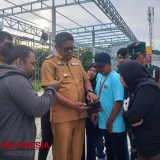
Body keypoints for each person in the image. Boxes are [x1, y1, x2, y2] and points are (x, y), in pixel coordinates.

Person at [41, 32, 98, 160]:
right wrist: (73, 106)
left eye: (72, 48)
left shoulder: (76, 62)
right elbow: (50, 91)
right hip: (62, 117)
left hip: (80, 115)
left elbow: (86, 79)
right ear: (57, 47)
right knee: (62, 153)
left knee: (77, 153)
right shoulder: (49, 63)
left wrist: (90, 91)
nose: (70, 51)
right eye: (66, 48)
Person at [0, 45, 62, 160]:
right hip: (15, 150)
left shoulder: (4, 76)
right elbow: (37, 108)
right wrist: (52, 88)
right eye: (32, 63)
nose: (34, 68)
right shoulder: (16, 79)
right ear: (19, 61)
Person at [119, 61, 160, 160]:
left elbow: (133, 116)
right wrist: (128, 116)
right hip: (144, 144)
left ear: (130, 74)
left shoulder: (147, 87)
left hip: (154, 146)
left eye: (121, 75)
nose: (119, 78)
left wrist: (127, 116)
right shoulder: (135, 87)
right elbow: (130, 114)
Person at [93, 52, 128, 160]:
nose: (99, 69)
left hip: (115, 124)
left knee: (119, 153)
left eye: (102, 66)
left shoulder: (116, 78)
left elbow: (119, 101)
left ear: (109, 63)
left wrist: (110, 121)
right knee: (109, 151)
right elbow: (97, 95)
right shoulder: (99, 75)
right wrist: (94, 111)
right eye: (97, 66)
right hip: (104, 122)